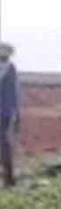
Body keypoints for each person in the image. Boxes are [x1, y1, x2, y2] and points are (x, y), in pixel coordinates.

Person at [0, 43, 20, 189]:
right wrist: (17, 114)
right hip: (6, 113)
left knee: (5, 145)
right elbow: (15, 94)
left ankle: (9, 178)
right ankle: (9, 179)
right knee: (5, 145)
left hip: (5, 112)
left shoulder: (10, 69)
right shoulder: (10, 68)